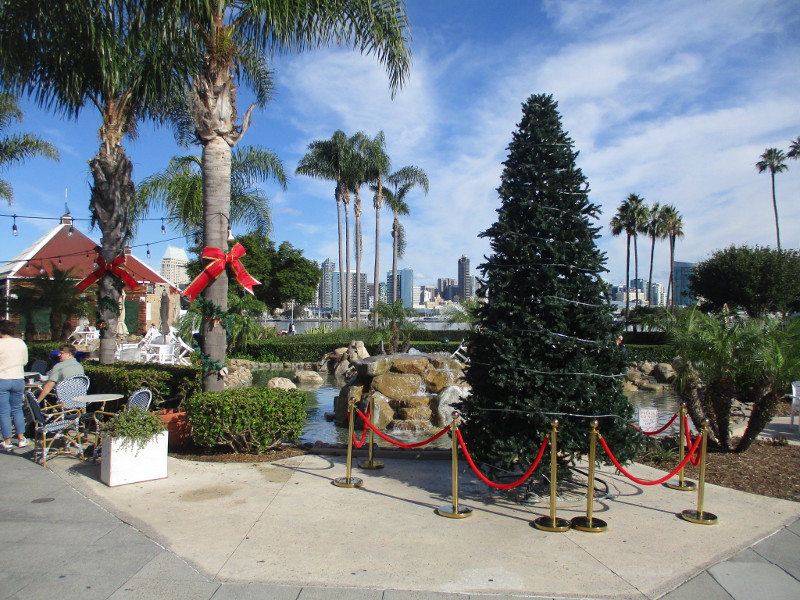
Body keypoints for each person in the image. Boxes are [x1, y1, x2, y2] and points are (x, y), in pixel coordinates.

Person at [0, 320, 28, 450]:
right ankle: (21, 438)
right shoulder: (20, 343)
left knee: (4, 411)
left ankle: (7, 440)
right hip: (18, 378)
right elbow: (25, 361)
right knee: (17, 409)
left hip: (2, 379)